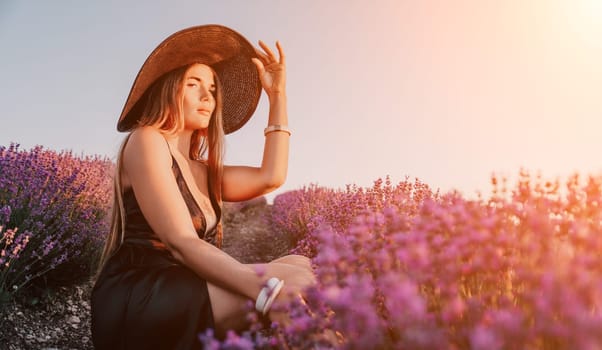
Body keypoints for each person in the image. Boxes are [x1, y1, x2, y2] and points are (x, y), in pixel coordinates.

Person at [91, 24, 315, 349]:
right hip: (141, 294)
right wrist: (268, 293)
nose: (207, 95)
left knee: (300, 264)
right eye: (193, 84)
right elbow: (181, 241)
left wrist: (277, 95)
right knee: (293, 282)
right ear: (168, 89)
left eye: (212, 87)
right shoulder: (147, 140)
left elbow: (271, 177)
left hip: (182, 284)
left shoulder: (204, 170)